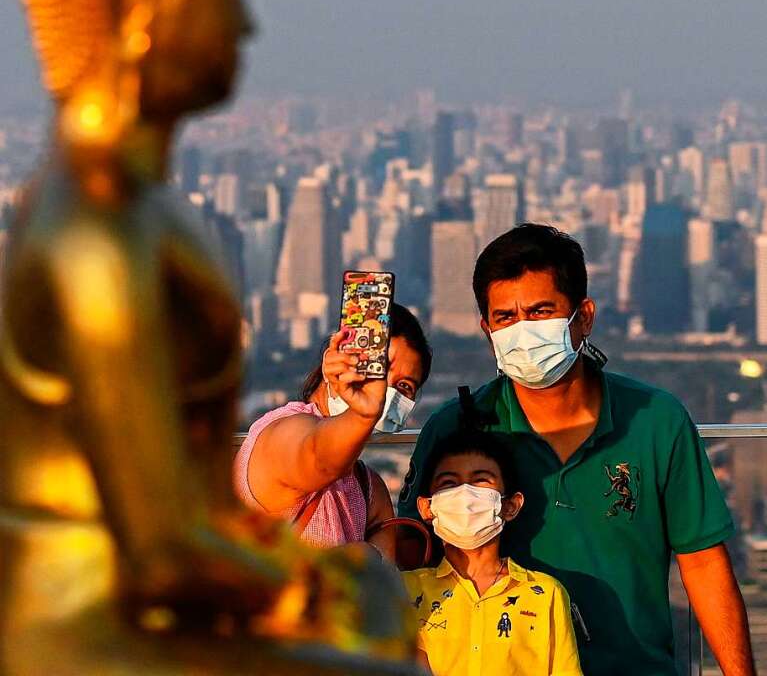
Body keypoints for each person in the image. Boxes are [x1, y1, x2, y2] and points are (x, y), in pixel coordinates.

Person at [399, 223, 755, 676]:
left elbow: (704, 563)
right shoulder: (459, 426)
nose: (522, 330)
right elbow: (412, 554)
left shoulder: (654, 420)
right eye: (505, 317)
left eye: (541, 311)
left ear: (583, 317)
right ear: (487, 330)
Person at [235, 303, 431, 557]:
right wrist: (362, 414)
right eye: (377, 370)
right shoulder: (280, 434)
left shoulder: (370, 490)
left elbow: (379, 583)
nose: (384, 390)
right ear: (337, 360)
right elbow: (316, 456)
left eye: (404, 386)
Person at [404, 428, 582, 676]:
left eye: (480, 481)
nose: (465, 495)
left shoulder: (545, 594)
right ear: (427, 507)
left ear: (510, 506)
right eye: (449, 483)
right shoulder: (403, 590)